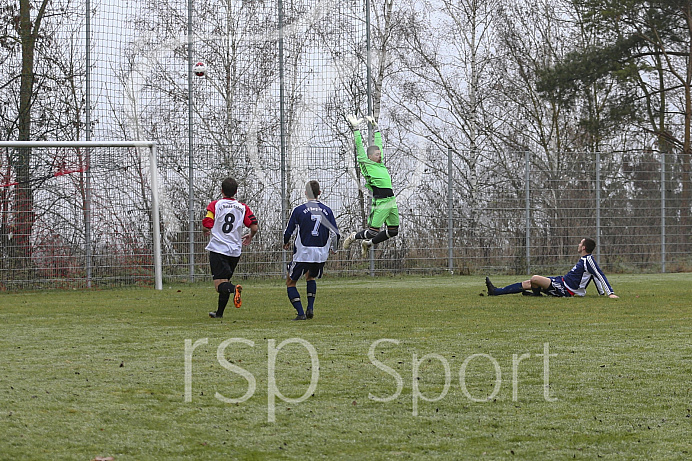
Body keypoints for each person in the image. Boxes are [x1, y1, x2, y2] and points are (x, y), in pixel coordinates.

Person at [341, 114, 400, 258]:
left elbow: (379, 144)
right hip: (380, 202)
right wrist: (356, 128)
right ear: (369, 157)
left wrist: (376, 128)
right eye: (376, 154)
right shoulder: (365, 162)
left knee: (393, 231)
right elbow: (359, 146)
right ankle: (354, 237)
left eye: (380, 154)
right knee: (373, 230)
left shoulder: (381, 164)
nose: (379, 156)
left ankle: (368, 243)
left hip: (391, 201)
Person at [485, 238, 619, 298]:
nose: (578, 244)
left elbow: (599, 275)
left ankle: (536, 295)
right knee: (529, 282)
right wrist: (601, 293)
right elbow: (593, 276)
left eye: (580, 243)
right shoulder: (585, 260)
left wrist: (610, 293)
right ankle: (495, 291)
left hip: (565, 290)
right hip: (561, 282)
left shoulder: (589, 260)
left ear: (584, 247)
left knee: (535, 279)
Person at [283, 180, 340, 320]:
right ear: (319, 193)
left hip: (303, 253)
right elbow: (336, 233)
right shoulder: (327, 210)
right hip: (320, 255)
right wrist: (334, 248)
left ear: (305, 193)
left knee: (290, 282)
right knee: (310, 276)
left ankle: (301, 313)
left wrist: (286, 242)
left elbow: (288, 231)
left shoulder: (299, 210)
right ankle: (310, 308)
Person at [203, 177, 259, 318]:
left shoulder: (215, 205)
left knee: (219, 285)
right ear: (235, 192)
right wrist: (250, 236)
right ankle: (219, 313)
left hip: (218, 249)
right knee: (225, 281)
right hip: (234, 251)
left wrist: (205, 230)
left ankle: (235, 289)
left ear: (221, 191)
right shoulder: (242, 207)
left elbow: (207, 223)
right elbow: (254, 227)